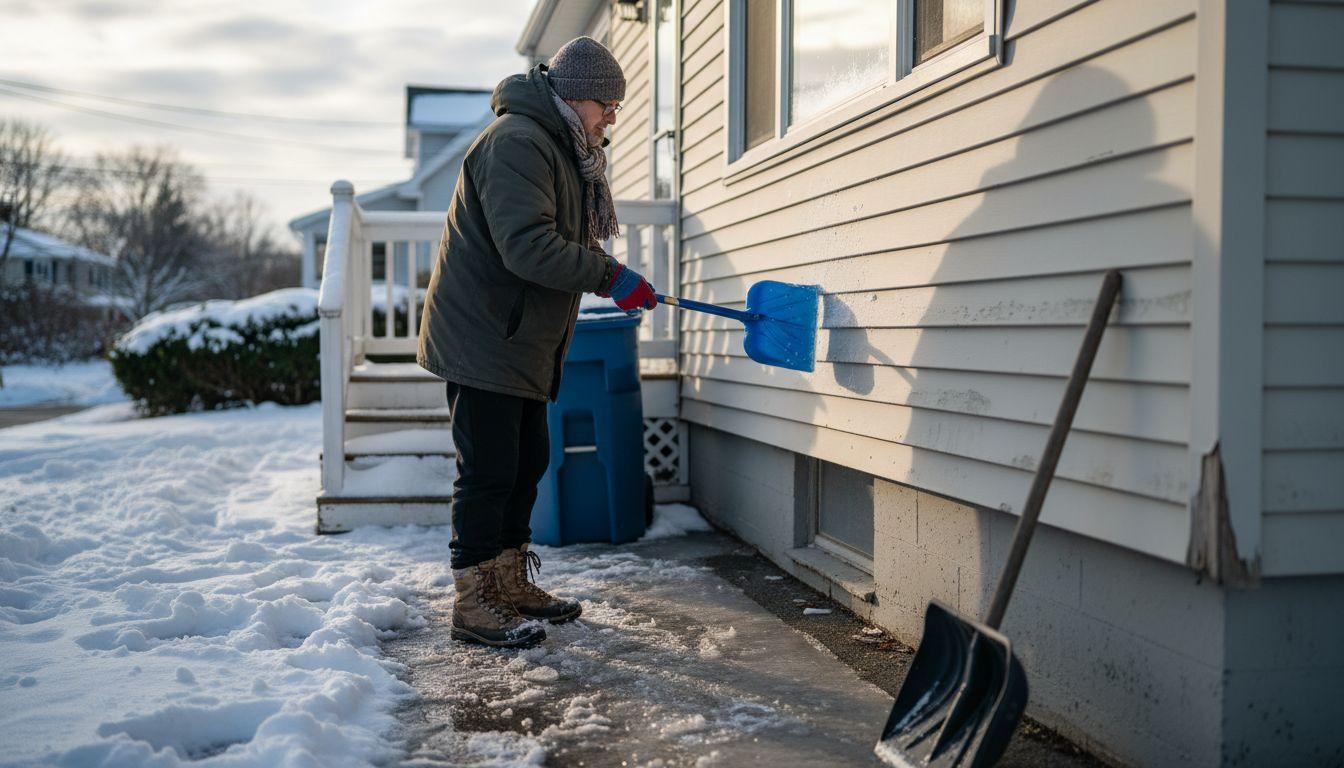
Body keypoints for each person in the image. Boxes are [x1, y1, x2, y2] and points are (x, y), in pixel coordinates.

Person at [417, 36, 657, 649]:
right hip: (487, 335)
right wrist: (609, 275)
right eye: (608, 106)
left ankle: (508, 583)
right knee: (490, 471)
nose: (611, 119)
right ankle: (474, 603)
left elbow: (557, 236)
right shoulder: (519, 143)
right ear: (578, 98)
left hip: (519, 338)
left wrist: (613, 274)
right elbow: (527, 247)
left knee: (526, 464)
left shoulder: (556, 146)